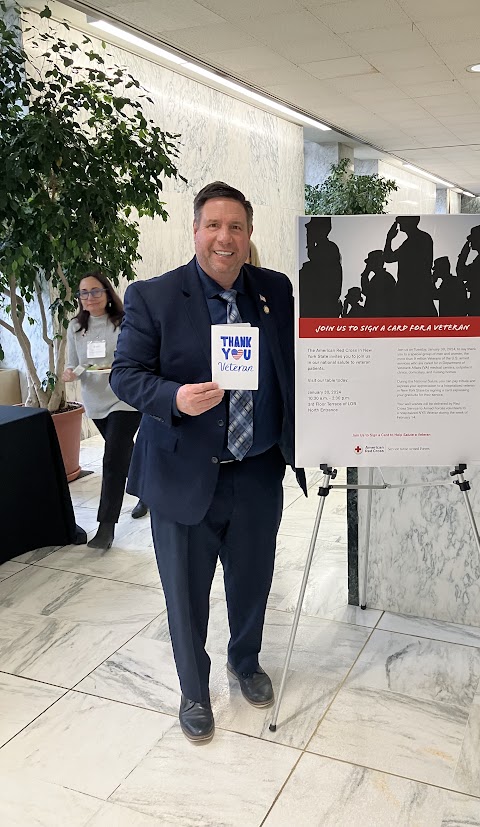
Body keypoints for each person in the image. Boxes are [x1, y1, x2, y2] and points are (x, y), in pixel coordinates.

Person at [111, 181, 305, 744]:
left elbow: (292, 366)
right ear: (195, 230)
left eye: (236, 227)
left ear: (249, 234)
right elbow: (126, 375)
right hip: (184, 474)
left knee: (254, 580)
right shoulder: (154, 296)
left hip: (258, 470)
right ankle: (194, 691)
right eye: (214, 225)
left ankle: (245, 661)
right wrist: (173, 397)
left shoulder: (275, 290)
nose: (225, 237)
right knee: (186, 593)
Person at [63, 273, 147, 550]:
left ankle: (106, 526)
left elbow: (136, 357)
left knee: (112, 457)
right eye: (84, 293)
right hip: (96, 401)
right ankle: (146, 490)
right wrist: (71, 373)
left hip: (124, 397)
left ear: (108, 293)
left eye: (95, 291)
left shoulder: (124, 322)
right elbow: (75, 364)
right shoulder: (75, 327)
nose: (90, 297)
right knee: (122, 453)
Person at [383, 216, 436, 317]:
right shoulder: (414, 241)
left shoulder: (418, 240)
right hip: (413, 293)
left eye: (401, 220)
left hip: (413, 293)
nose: (399, 223)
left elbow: (388, 258)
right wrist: (389, 238)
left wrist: (389, 239)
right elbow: (388, 258)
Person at [298, 217, 343, 318]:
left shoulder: (329, 248)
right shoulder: (324, 248)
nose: (308, 231)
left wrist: (310, 243)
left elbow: (314, 257)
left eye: (311, 228)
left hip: (321, 308)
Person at [456, 224, 480, 316]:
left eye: (473, 238)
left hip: (479, 301)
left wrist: (463, 255)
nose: (470, 242)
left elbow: (462, 273)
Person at [360, 249, 396, 317]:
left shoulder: (383, 277)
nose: (367, 265)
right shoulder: (377, 277)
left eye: (370, 262)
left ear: (376, 262)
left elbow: (366, 292)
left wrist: (365, 274)